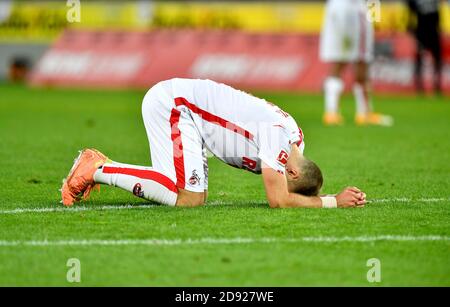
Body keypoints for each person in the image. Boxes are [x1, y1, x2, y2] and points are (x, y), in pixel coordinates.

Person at [61, 78, 367, 209]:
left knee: (195, 197)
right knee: (188, 198)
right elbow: (279, 201)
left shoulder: (296, 140)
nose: (275, 180)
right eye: (286, 182)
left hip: (192, 118)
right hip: (175, 106)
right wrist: (331, 201)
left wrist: (315, 194)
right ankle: (97, 168)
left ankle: (99, 166)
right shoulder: (279, 141)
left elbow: (286, 191)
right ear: (293, 174)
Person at [320, 0, 393, 126]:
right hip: (354, 9)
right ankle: (364, 113)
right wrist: (376, 14)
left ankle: (331, 113)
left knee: (339, 59)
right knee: (362, 58)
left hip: (335, 8)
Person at [406, 0, 442, 94]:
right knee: (419, 59)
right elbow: (410, 11)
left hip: (434, 32)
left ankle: (437, 85)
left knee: (437, 60)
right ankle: (419, 86)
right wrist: (410, 25)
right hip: (421, 33)